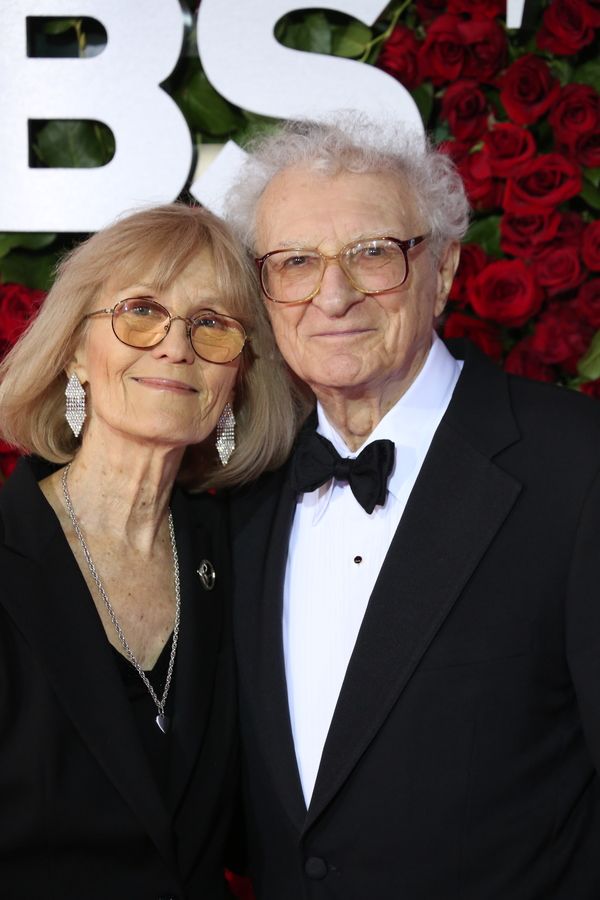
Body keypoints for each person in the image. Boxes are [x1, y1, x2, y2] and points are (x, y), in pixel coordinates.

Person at [225, 118, 600, 899]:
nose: (333, 295)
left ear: (446, 269)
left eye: (372, 254)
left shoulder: (578, 467)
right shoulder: (240, 488)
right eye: (295, 263)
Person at [0, 203, 300, 898]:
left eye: (213, 325)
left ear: (238, 378)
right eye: (141, 311)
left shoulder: (250, 557)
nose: (175, 346)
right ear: (76, 349)